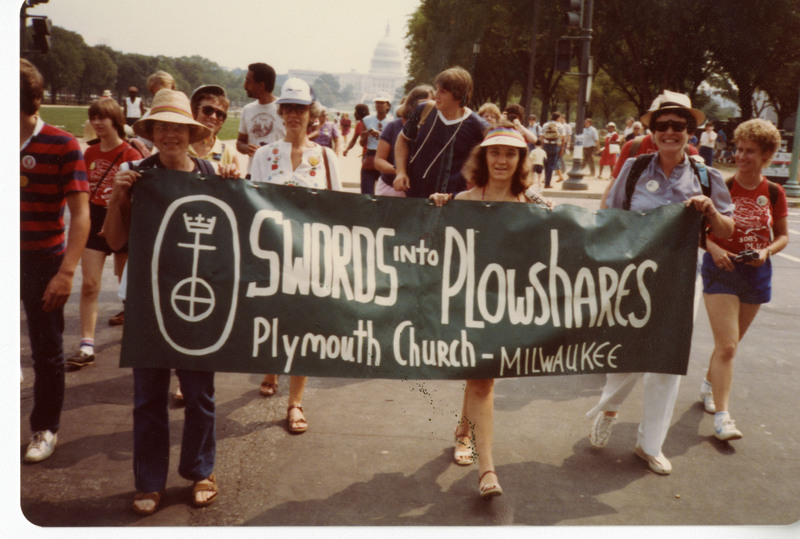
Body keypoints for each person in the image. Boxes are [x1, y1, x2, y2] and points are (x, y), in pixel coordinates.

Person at [587, 90, 734, 475]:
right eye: (662, 125)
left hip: (680, 282)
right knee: (626, 353)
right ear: (651, 130)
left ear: (690, 131)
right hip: (632, 279)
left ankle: (650, 444)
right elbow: (610, 216)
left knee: (667, 363)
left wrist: (710, 211)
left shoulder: (706, 176)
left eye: (679, 126)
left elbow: (728, 228)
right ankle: (609, 408)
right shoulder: (634, 169)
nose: (670, 132)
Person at [104, 89, 229, 515]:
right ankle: (149, 481)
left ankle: (201, 470)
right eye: (162, 127)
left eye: (178, 127)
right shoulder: (136, 174)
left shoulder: (210, 172)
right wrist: (119, 198)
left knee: (199, 394)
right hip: (149, 302)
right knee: (148, 397)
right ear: (152, 131)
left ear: (191, 132)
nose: (170, 134)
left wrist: (234, 191)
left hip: (198, 301)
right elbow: (115, 240)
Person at [429, 122, 543, 499]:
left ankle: (465, 432)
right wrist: (439, 209)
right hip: (468, 305)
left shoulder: (533, 206)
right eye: (495, 152)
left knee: (479, 377)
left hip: (507, 306)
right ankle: (487, 469)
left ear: (521, 160)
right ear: (483, 156)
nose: (502, 160)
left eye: (511, 153)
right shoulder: (461, 202)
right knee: (482, 380)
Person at [250, 78, 342, 433]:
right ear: (280, 112)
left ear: (311, 113)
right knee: (273, 319)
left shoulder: (326, 157)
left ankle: (295, 402)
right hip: (271, 253)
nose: (292, 115)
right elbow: (252, 202)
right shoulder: (263, 155)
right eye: (287, 108)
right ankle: (271, 368)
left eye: (299, 109)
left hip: (310, 256)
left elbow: (339, 209)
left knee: (302, 326)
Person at [699, 119, 789, 441]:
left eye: (750, 151)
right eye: (739, 149)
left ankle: (709, 385)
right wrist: (713, 246)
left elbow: (782, 237)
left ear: (766, 155)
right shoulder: (721, 186)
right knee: (727, 346)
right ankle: (723, 418)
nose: (741, 156)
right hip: (721, 270)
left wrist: (766, 251)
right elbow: (699, 233)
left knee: (729, 347)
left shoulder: (775, 192)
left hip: (756, 274)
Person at [20, 58, 90, 463]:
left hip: (43, 259)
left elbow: (81, 215)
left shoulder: (62, 144)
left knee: (46, 351)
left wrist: (66, 272)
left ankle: (45, 428)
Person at [66, 98, 142, 372]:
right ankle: (87, 345)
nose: (97, 123)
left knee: (126, 285)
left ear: (116, 121)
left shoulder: (131, 155)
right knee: (89, 285)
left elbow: (137, 197)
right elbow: (84, 191)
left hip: (121, 218)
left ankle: (135, 334)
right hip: (94, 217)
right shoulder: (90, 153)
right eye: (93, 117)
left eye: (103, 118)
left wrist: (117, 220)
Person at [393, 66, 488, 198]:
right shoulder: (423, 109)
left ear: (459, 96)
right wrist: (401, 172)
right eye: (437, 89)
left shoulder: (478, 125)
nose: (436, 94)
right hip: (413, 195)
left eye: (442, 91)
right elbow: (402, 139)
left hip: (448, 202)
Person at [374, 85, 434, 197]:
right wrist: (400, 171)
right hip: (392, 188)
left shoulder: (435, 129)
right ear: (412, 103)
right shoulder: (393, 126)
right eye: (423, 103)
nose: (426, 107)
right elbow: (379, 160)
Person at [237, 62, 285, 176]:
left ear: (261, 85)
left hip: (278, 176)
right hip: (252, 175)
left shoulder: (284, 109)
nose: (245, 85)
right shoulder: (247, 110)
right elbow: (240, 142)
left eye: (248, 81)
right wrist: (246, 148)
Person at [188, 84, 241, 176]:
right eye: (208, 110)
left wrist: (234, 176)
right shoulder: (179, 146)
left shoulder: (229, 154)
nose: (213, 117)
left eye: (220, 114)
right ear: (194, 111)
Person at [359, 93, 393, 194]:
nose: (379, 105)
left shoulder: (392, 121)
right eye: (377, 103)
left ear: (388, 105)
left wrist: (381, 135)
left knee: (386, 188)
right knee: (366, 189)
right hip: (371, 154)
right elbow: (362, 142)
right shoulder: (367, 120)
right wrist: (365, 136)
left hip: (386, 156)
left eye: (382, 103)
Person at [540, 112, 563, 188]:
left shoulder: (545, 125)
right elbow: (563, 138)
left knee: (546, 164)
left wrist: (541, 146)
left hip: (546, 145)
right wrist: (562, 148)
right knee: (551, 165)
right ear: (558, 118)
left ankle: (546, 181)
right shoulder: (560, 126)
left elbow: (541, 136)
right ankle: (547, 183)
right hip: (555, 146)